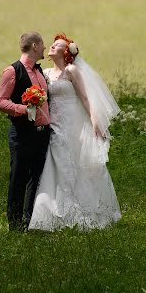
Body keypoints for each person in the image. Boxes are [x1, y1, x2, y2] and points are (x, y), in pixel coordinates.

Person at [28, 33, 121, 231]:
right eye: (52, 44)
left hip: (73, 123)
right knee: (57, 162)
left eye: (57, 45)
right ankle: (52, 213)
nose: (52, 47)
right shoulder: (45, 74)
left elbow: (85, 98)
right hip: (55, 124)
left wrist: (95, 121)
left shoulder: (71, 71)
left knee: (78, 163)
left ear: (67, 52)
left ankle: (85, 211)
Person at [0, 32, 50, 231]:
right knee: (18, 179)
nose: (45, 48)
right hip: (22, 135)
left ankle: (31, 221)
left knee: (37, 179)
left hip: (43, 134)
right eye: (43, 44)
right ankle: (15, 225)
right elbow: (0, 101)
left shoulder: (40, 73)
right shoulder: (12, 71)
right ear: (34, 46)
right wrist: (23, 109)